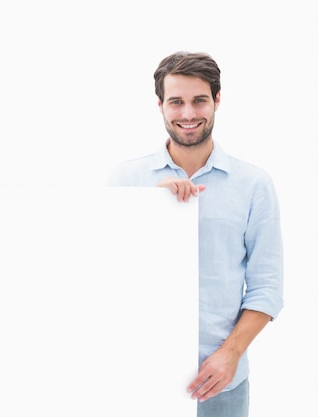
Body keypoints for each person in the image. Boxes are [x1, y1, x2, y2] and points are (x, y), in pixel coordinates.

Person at [108, 52, 284, 417]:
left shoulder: (253, 184)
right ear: (160, 106)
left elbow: (267, 285)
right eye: (176, 102)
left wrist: (230, 355)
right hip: (140, 376)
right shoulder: (128, 180)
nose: (188, 114)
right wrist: (151, 209)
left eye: (199, 100)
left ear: (217, 100)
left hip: (221, 382)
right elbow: (105, 274)